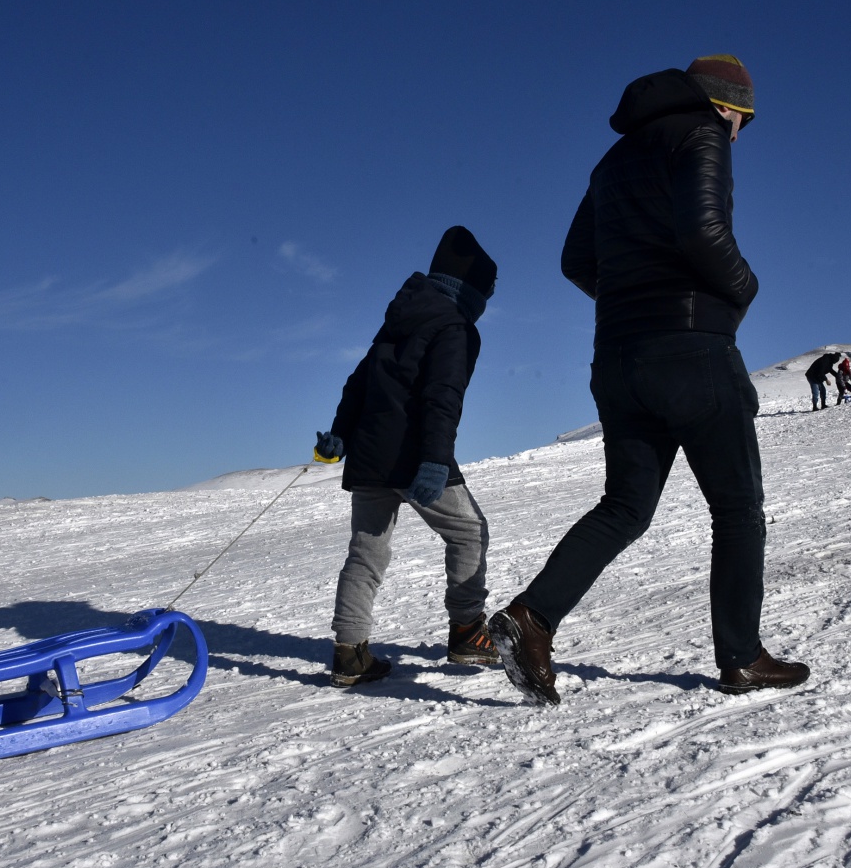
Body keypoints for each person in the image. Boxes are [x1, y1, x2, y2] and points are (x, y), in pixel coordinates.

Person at [487, 55, 809, 704]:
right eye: (742, 119)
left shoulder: (612, 161)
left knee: (625, 507)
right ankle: (741, 658)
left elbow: (575, 260)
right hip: (693, 353)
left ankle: (532, 617)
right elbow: (703, 231)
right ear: (724, 105)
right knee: (737, 509)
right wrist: (743, 289)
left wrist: (631, 302)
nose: (739, 132)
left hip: (618, 360)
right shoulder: (703, 133)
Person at [313, 226, 500, 687]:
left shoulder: (399, 319)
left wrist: (339, 435)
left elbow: (358, 383)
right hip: (414, 456)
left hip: (369, 457)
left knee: (366, 552)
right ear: (471, 289)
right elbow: (443, 396)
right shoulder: (455, 327)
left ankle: (350, 654)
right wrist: (434, 460)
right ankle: (467, 632)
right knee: (469, 533)